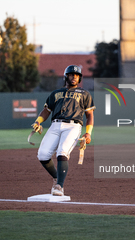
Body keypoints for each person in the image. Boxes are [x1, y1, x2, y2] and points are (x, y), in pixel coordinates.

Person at [31, 64, 95, 196]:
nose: (74, 77)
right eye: (71, 75)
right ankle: (56, 177)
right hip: (55, 125)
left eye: (77, 75)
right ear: (66, 76)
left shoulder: (84, 94)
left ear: (80, 78)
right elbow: (46, 111)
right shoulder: (56, 93)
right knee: (42, 155)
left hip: (73, 126)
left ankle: (59, 186)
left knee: (62, 152)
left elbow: (89, 115)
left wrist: (88, 133)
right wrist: (38, 121)